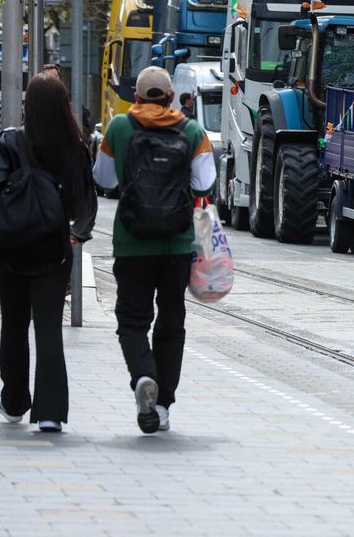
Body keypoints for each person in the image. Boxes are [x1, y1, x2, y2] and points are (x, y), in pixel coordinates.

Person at [0, 71, 97, 433]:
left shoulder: (10, 142)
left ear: (28, 105)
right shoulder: (75, 145)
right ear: (63, 105)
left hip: (12, 249)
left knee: (14, 325)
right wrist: (78, 234)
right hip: (54, 250)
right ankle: (50, 411)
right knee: (49, 328)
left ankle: (15, 399)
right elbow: (86, 198)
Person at [93, 66, 215, 434]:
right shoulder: (192, 130)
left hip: (132, 244)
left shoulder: (118, 126)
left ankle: (144, 376)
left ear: (138, 97)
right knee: (171, 321)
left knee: (132, 322)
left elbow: (104, 179)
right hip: (176, 244)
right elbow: (205, 182)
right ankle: (162, 406)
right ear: (172, 98)